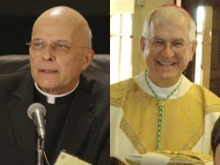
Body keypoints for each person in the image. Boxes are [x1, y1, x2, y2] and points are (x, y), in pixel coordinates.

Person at [110, 4, 220, 165]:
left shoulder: (213, 111)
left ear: (192, 49)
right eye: (158, 42)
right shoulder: (109, 102)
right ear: (143, 45)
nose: (167, 53)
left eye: (177, 43)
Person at [0, 6, 109, 165]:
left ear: (86, 59)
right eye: (38, 44)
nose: (47, 56)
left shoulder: (110, 109)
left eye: (61, 46)